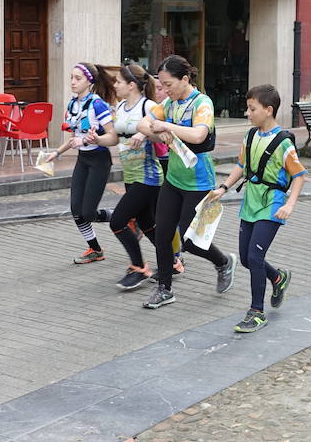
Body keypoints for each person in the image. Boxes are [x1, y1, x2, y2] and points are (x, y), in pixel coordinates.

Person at [137, 55, 235, 309]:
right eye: (162, 85)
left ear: (185, 79)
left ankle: (223, 262)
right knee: (163, 234)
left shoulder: (202, 103)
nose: (164, 90)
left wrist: (165, 127)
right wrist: (160, 132)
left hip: (199, 181)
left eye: (168, 84)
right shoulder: (170, 103)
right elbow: (143, 124)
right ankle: (164, 289)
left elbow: (198, 134)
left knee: (189, 241)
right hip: (173, 179)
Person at [209, 84, 305, 333]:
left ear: (268, 110)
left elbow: (299, 176)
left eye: (252, 109)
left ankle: (256, 312)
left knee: (254, 257)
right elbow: (241, 166)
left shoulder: (283, 142)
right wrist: (223, 188)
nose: (247, 113)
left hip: (272, 205)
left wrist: (290, 204)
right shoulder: (250, 136)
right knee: (246, 258)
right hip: (250, 202)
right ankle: (278, 278)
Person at [43, 63, 118, 264]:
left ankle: (124, 216)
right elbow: (74, 137)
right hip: (83, 160)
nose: (73, 82)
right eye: (71, 77)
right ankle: (95, 250)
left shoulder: (97, 104)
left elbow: (113, 136)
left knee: (89, 212)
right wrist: (56, 153)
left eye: (78, 78)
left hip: (100, 160)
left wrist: (88, 140)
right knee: (76, 210)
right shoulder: (72, 104)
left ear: (89, 81)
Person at [110, 65, 167, 290]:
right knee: (146, 222)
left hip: (149, 175)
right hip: (130, 174)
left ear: (131, 85)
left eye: (118, 82)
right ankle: (172, 260)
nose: (115, 86)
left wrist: (143, 133)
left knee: (118, 222)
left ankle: (139, 268)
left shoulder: (149, 106)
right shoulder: (120, 107)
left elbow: (163, 136)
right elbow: (113, 140)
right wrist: (94, 139)